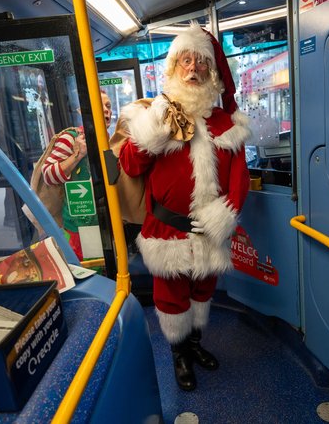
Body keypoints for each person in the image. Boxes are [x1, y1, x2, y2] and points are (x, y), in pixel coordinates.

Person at [117, 24, 251, 391]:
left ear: (212, 74)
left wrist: (225, 215)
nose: (193, 69)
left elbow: (240, 180)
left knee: (202, 291)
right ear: (173, 68)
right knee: (170, 296)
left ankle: (195, 344)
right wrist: (156, 131)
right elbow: (130, 165)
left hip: (209, 231)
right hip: (167, 230)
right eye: (185, 61)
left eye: (201, 63)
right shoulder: (156, 115)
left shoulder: (227, 124)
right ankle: (179, 354)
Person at [39, 91, 112, 261]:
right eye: (99, 105)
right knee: (93, 268)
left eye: (108, 106)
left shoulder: (107, 140)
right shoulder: (71, 138)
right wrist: (77, 155)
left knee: (107, 265)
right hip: (81, 225)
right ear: (84, 112)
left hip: (105, 221)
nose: (106, 110)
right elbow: (48, 175)